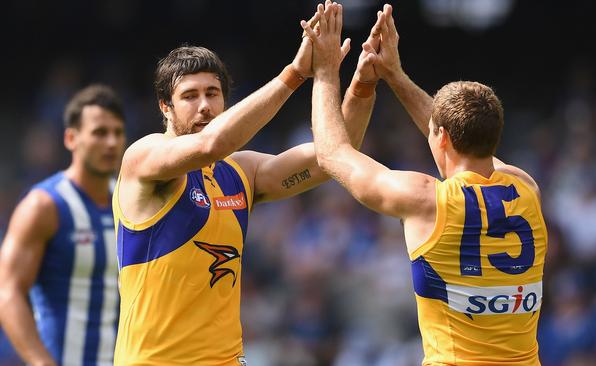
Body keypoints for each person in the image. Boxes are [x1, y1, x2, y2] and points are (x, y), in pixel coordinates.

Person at [112, 2, 384, 364]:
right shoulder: (144, 157)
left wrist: (359, 83)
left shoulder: (240, 172)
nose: (205, 106)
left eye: (213, 93)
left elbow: (333, 154)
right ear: (165, 106)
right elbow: (212, 144)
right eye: (190, 96)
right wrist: (294, 74)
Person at [304, 3, 548, 365]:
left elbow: (331, 153)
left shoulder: (424, 199)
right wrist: (396, 76)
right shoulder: (526, 187)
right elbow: (457, 136)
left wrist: (325, 72)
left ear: (442, 137)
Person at [0, 84, 126, 366]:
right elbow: (7, 290)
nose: (111, 142)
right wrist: (41, 362)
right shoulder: (44, 205)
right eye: (100, 133)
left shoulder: (129, 201)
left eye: (118, 133)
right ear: (71, 138)